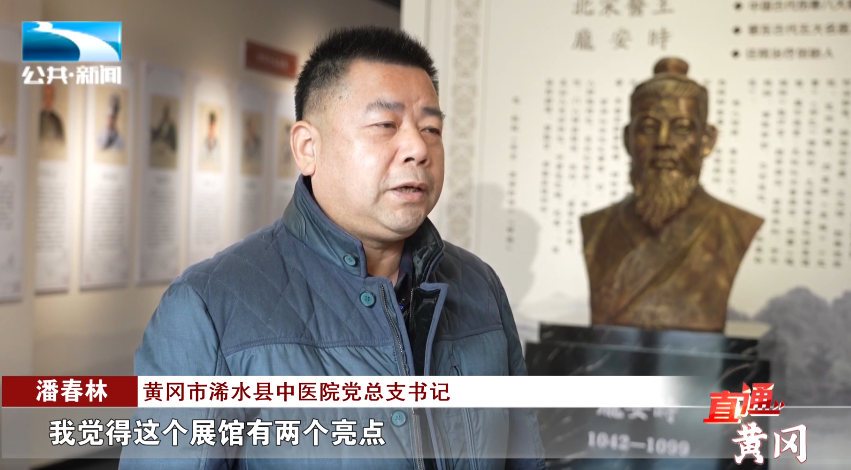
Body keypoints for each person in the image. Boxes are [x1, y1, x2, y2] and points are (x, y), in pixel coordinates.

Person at [120, 26, 544, 470]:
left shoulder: (480, 287)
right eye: (385, 125)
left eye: (431, 128)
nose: (418, 148)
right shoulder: (209, 306)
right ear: (308, 148)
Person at [580, 57, 763, 332]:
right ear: (628, 138)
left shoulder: (735, 227)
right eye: (648, 128)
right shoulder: (597, 228)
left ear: (707, 140)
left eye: (682, 128)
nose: (663, 142)